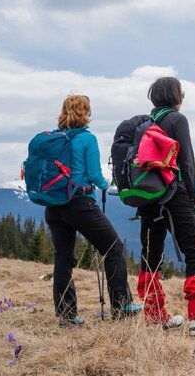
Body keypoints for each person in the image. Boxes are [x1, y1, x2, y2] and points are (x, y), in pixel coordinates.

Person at [136, 77, 195, 336]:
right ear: (176, 96)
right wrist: (193, 194)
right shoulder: (177, 120)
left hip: (147, 195)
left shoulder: (144, 123)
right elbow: (186, 160)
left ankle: (155, 316)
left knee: (151, 253)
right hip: (173, 193)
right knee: (194, 250)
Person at [43, 95, 142, 326]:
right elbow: (94, 174)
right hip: (79, 203)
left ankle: (66, 316)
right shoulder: (87, 138)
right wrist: (105, 184)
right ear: (85, 113)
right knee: (114, 248)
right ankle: (121, 304)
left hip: (54, 206)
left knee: (63, 259)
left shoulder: (54, 139)